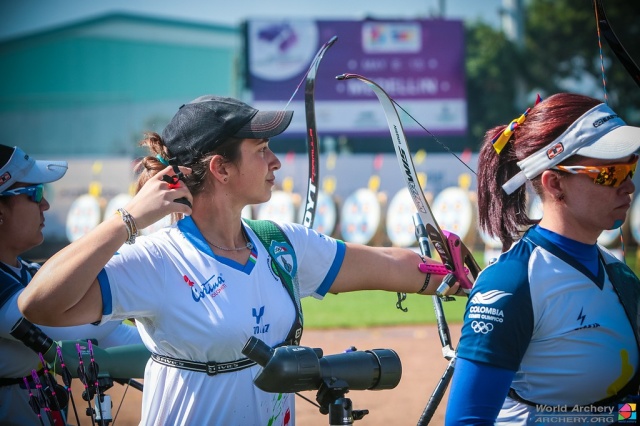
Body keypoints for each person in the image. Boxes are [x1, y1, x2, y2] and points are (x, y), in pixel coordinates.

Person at [17, 95, 464, 425]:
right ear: (221, 169)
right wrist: (128, 220)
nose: (275, 162)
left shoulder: (280, 244)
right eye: (260, 150)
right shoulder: (157, 260)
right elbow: (38, 305)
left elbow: (386, 262)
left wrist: (453, 277)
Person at [445, 93, 640, 425]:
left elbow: (621, 404)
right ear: (555, 183)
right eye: (611, 173)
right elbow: (466, 420)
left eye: (631, 166)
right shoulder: (512, 283)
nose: (630, 186)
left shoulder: (621, 276)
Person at [0, 144, 143, 426]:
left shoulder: (28, 274)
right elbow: (74, 327)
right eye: (35, 194)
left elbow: (111, 338)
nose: (45, 205)